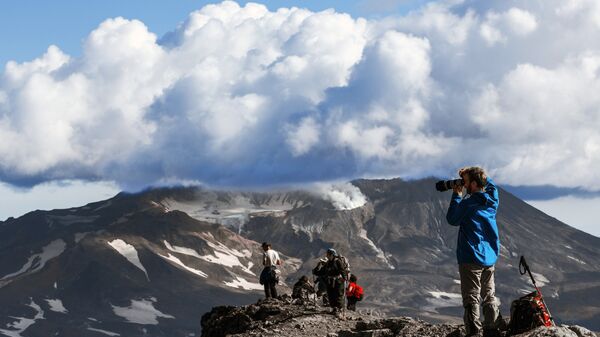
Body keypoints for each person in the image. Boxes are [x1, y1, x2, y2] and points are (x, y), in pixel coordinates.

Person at [446, 166, 502, 337]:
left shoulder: (469, 204)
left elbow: (452, 219)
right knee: (489, 294)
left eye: (466, 182)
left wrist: (457, 194)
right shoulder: (492, 200)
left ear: (475, 184)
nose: (464, 184)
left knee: (472, 298)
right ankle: (492, 330)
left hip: (471, 256)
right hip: (490, 256)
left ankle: (474, 332)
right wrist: (477, 174)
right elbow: (491, 186)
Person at [313, 248, 347, 318]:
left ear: (332, 255)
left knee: (338, 295)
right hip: (330, 281)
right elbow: (321, 272)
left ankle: (339, 310)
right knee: (331, 296)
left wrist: (345, 279)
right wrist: (317, 268)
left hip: (338, 282)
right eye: (327, 254)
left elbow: (342, 270)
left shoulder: (338, 261)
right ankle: (334, 309)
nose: (327, 256)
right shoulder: (328, 263)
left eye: (328, 254)